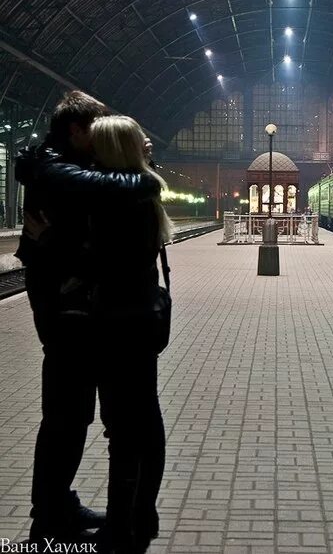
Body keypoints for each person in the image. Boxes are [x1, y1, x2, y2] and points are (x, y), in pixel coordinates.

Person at [15, 91, 162, 544]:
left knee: (89, 422)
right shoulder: (56, 170)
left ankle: (91, 516)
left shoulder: (89, 177)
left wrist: (55, 243)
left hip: (99, 322)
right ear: (78, 132)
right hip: (73, 323)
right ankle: (67, 514)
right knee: (78, 422)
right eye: (94, 130)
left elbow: (95, 254)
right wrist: (146, 179)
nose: (97, 140)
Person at [86, 115, 173, 554]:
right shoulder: (141, 194)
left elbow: (100, 264)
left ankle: (122, 524)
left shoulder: (116, 202)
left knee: (122, 427)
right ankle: (143, 513)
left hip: (117, 324)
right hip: (140, 322)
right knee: (144, 420)